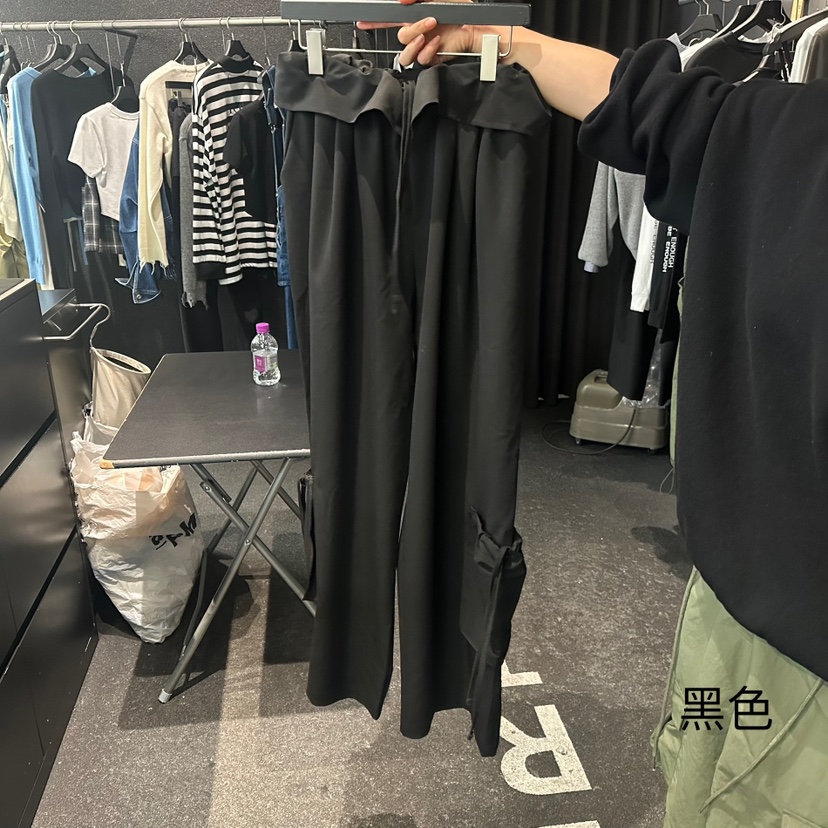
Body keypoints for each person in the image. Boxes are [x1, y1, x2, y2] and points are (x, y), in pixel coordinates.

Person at [360, 3, 828, 827]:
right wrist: (508, 42)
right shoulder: (791, 131)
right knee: (695, 793)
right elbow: (651, 105)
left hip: (807, 668)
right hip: (732, 608)